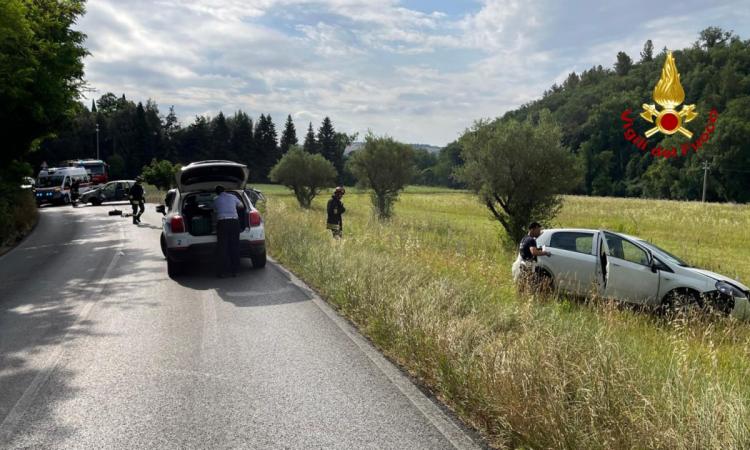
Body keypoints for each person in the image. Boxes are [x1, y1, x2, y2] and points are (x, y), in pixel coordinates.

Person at [213, 185, 244, 277]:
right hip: (234, 222)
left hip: (223, 223)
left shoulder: (216, 199)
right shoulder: (233, 196)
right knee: (234, 246)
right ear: (225, 190)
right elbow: (241, 205)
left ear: (217, 193)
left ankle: (222, 272)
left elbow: (214, 210)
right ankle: (235, 271)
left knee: (223, 247)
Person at [518, 222, 551, 288]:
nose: (539, 232)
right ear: (532, 229)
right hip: (529, 265)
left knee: (524, 283)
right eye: (538, 230)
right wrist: (545, 253)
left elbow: (527, 250)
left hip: (523, 263)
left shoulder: (524, 239)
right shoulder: (531, 240)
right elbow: (534, 252)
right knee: (530, 283)